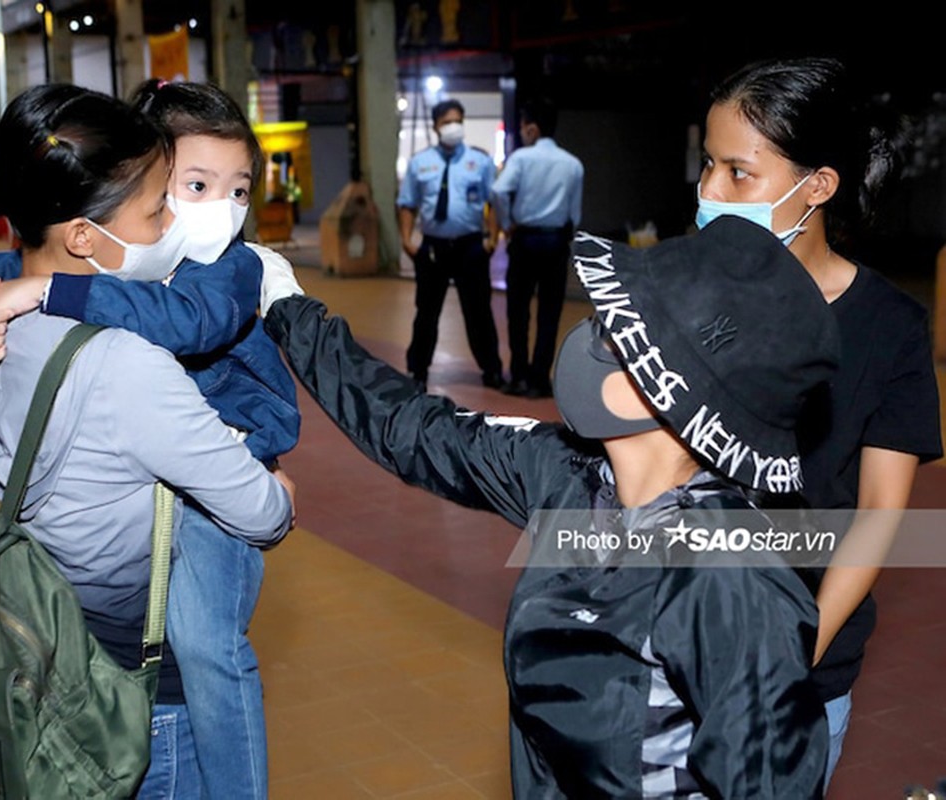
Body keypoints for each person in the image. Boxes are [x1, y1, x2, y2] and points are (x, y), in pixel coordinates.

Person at [259, 215, 837, 797]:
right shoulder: (574, 478)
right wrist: (287, 306)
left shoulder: (731, 573)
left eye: (613, 331)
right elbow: (413, 428)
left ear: (668, 386)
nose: (588, 338)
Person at [0, 80, 298, 800]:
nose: (180, 223)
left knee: (213, 644)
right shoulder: (124, 363)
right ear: (85, 232)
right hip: (136, 691)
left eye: (236, 190)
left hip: (51, 650)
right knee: (209, 654)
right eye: (163, 204)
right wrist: (271, 490)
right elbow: (264, 514)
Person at [698, 56, 942, 788]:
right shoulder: (685, 294)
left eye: (737, 173)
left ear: (818, 186)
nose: (709, 191)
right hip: (674, 640)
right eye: (706, 165)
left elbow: (875, 516)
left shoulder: (890, 328)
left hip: (801, 663)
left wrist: (789, 657)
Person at [398, 98, 504, 391]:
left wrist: (492, 238)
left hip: (471, 247)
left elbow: (492, 202)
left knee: (479, 312)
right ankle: (418, 370)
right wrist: (407, 241)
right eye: (446, 123)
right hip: (433, 248)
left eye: (457, 121)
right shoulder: (421, 163)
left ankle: (491, 369)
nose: (453, 127)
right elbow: (407, 204)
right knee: (427, 312)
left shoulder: (479, 161)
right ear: (435, 126)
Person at [490, 98, 584, 399]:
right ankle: (540, 378)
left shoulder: (520, 159)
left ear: (532, 128)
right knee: (549, 312)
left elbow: (499, 190)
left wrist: (507, 223)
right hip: (556, 242)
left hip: (525, 240)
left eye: (522, 126)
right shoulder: (573, 164)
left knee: (517, 311)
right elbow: (575, 214)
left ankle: (518, 375)